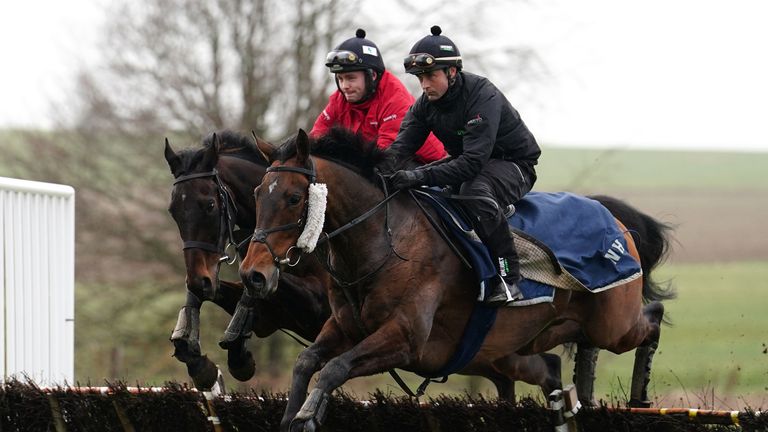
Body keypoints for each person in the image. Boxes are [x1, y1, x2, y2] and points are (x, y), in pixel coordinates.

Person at [386, 26, 541, 307]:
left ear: (452, 72)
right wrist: (374, 171)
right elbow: (398, 151)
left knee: (472, 190)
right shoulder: (424, 106)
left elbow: (471, 164)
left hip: (514, 164)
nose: (424, 85)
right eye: (420, 78)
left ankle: (509, 279)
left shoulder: (483, 96)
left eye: (431, 76)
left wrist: (417, 175)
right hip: (473, 162)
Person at [311, 29, 446, 163]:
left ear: (372, 76)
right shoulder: (341, 98)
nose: (345, 85)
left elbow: (385, 155)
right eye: (340, 79)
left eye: (351, 78)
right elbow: (318, 134)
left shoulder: (395, 99)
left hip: (422, 163)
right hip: (383, 159)